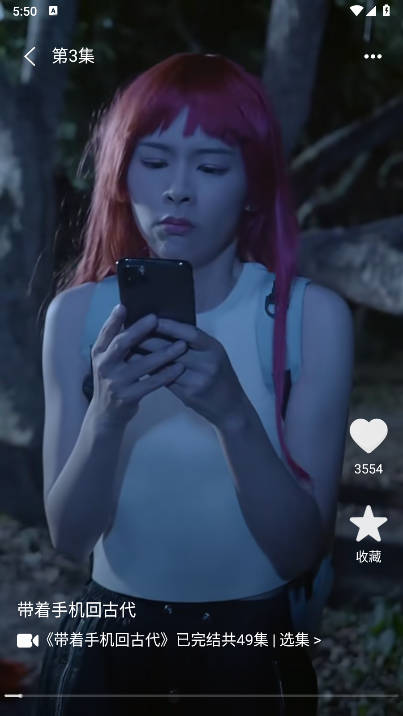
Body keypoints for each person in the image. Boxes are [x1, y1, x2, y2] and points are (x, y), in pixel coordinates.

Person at [33, 52, 354, 716]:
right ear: (122, 177)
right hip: (110, 645)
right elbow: (69, 537)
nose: (177, 190)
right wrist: (107, 415)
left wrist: (233, 414)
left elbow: (299, 548)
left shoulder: (309, 318)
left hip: (247, 649)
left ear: (252, 187)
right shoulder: (76, 318)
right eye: (153, 162)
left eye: (210, 167)